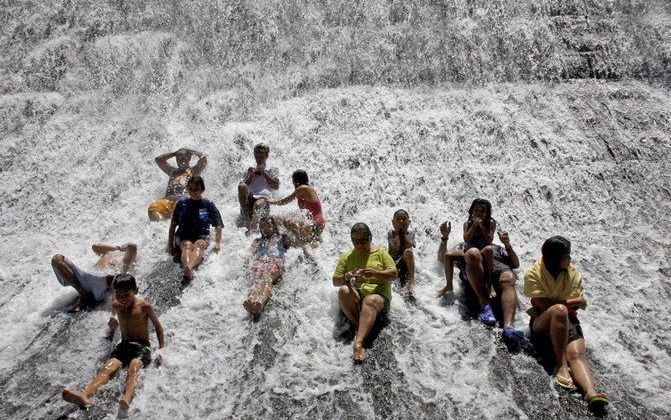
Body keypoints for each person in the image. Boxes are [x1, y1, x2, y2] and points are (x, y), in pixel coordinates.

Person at [524, 236, 609, 413]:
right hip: (543, 322)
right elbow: (547, 306)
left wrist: (567, 302)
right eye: (567, 255)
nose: (570, 258)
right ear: (555, 258)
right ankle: (562, 367)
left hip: (568, 320)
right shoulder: (533, 273)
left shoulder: (572, 272)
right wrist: (574, 301)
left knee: (577, 355)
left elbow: (574, 302)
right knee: (559, 310)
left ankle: (591, 394)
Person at [62, 274, 165, 410]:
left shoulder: (144, 306)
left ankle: (127, 398)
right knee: (107, 368)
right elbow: (113, 323)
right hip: (123, 346)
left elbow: (158, 327)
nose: (122, 297)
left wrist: (162, 349)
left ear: (136, 290)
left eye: (126, 293)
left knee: (134, 367)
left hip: (141, 347)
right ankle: (85, 395)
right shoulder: (116, 304)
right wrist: (112, 324)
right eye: (118, 293)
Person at [437, 221, 525, 347]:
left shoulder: (497, 247)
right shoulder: (463, 246)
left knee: (509, 277)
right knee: (473, 253)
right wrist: (444, 238)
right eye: (475, 229)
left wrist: (507, 244)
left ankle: (509, 328)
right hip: (474, 274)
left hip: (497, 272)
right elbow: (442, 259)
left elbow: (515, 264)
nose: (478, 232)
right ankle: (485, 306)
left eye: (483, 229)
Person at [332, 223, 397, 363]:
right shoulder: (348, 256)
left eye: (364, 240)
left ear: (371, 237)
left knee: (370, 300)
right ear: (351, 240)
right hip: (357, 298)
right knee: (343, 290)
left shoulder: (381, 253)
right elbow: (335, 281)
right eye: (356, 241)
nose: (360, 244)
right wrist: (346, 277)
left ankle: (359, 342)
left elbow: (393, 274)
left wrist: (376, 273)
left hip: (377, 298)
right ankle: (360, 327)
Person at [51, 242, 137, 311]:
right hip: (86, 278)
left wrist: (124, 247)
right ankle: (83, 292)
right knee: (57, 259)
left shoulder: (124, 260)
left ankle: (84, 294)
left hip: (105, 280)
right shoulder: (110, 252)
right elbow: (95, 246)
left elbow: (132, 246)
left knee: (57, 259)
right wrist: (117, 248)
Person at [167, 176, 223, 280]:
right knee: (187, 245)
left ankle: (189, 267)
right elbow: (173, 224)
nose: (193, 191)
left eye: (196, 189)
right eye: (190, 188)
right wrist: (170, 243)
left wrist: (218, 243)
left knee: (198, 245)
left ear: (202, 189)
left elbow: (218, 225)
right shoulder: (181, 203)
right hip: (183, 235)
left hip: (202, 235)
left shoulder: (208, 204)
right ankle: (188, 267)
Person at [243, 217, 292, 316]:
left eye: (268, 225)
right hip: (259, 262)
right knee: (256, 280)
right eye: (262, 226)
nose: (265, 227)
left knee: (267, 278)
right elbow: (250, 253)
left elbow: (294, 245)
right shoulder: (257, 241)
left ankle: (261, 301)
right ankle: (251, 300)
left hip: (275, 261)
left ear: (274, 226)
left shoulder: (282, 237)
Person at [461, 199, 497, 326]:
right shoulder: (467, 223)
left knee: (489, 249)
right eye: (477, 210)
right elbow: (466, 238)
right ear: (472, 211)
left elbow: (489, 241)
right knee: (473, 252)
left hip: (483, 249)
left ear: (487, 213)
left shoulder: (491, 223)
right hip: (471, 250)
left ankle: (490, 284)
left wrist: (481, 226)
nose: (480, 213)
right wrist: (475, 225)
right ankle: (484, 304)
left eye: (483, 211)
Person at [266, 169, 325, 244]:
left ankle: (309, 243)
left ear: (295, 181)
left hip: (315, 223)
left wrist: (270, 202)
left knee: (281, 219)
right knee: (288, 222)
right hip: (317, 224)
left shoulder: (302, 188)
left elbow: (285, 201)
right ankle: (306, 244)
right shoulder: (308, 189)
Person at [148, 148, 207, 222]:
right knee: (153, 209)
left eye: (183, 158)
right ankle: (161, 228)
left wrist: (193, 152)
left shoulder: (194, 171)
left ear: (189, 159)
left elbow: (204, 159)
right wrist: (174, 153)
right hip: (168, 201)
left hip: (184, 201)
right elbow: (158, 160)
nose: (181, 161)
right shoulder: (172, 171)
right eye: (178, 159)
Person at [238, 143, 280, 229]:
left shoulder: (273, 169)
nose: (259, 156)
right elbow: (242, 188)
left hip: (263, 200)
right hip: (249, 199)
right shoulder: (249, 170)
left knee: (257, 204)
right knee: (242, 185)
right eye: (257, 153)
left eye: (262, 153)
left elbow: (276, 186)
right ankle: (247, 220)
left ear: (267, 156)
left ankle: (253, 227)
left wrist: (263, 172)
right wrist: (250, 176)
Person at [386, 209, 416, 299]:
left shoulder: (411, 233)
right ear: (393, 222)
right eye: (398, 219)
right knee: (407, 252)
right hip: (394, 264)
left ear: (409, 222)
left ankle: (411, 282)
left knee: (408, 252)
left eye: (404, 219)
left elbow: (409, 246)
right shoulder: (391, 233)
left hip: (406, 265)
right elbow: (398, 246)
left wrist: (403, 232)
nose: (401, 221)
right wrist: (400, 232)